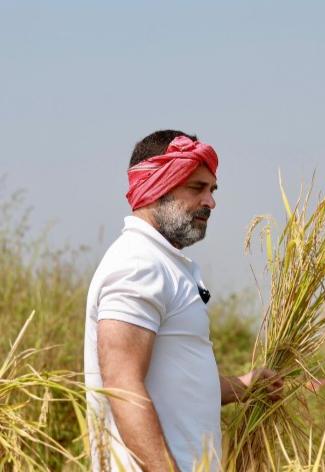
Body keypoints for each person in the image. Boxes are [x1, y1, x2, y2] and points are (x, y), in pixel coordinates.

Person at [84, 130, 282, 471]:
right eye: (197, 188)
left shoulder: (163, 263)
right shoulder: (138, 264)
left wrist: (245, 385)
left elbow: (179, 384)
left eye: (212, 189)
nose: (210, 201)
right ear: (157, 185)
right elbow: (122, 384)